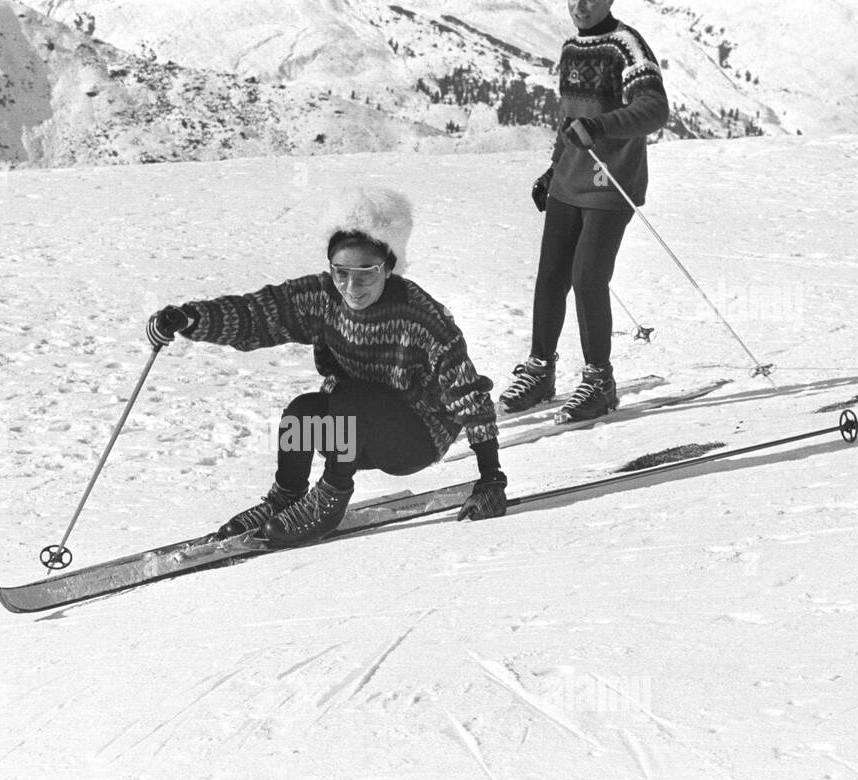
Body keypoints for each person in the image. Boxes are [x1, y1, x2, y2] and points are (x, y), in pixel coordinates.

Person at [145, 187, 506, 549]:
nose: (352, 286)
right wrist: (190, 318)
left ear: (389, 267)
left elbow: (468, 395)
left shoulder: (422, 316)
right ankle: (285, 497)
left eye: (366, 273)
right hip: (355, 432)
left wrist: (491, 477)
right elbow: (257, 314)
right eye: (341, 272)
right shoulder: (323, 297)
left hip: (415, 437)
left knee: (347, 396)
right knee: (301, 414)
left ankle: (330, 498)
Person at [501, 0, 670, 420]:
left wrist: (600, 127)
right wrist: (553, 170)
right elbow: (569, 119)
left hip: (611, 183)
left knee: (588, 277)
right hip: (568, 182)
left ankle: (599, 381)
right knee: (552, 277)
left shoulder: (626, 46)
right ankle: (540, 369)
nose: (579, 6)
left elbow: (654, 109)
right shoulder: (572, 47)